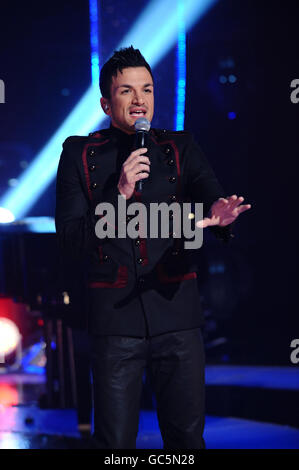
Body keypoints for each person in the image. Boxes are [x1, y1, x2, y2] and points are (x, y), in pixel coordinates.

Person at [55, 46, 251, 449]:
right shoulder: (78, 154)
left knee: (186, 442)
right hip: (115, 324)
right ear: (106, 103)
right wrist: (120, 193)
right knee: (115, 444)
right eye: (126, 91)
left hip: (178, 317)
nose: (140, 99)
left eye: (147, 89)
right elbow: (72, 240)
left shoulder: (181, 148)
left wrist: (219, 214)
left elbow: (211, 198)